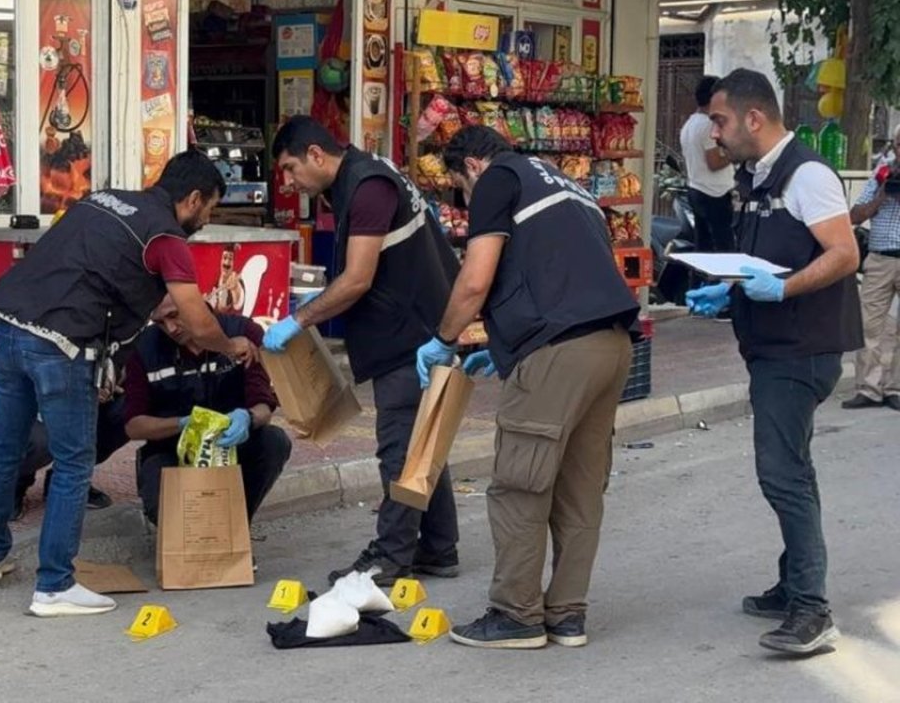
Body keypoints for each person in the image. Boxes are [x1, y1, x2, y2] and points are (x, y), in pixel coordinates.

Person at [0, 151, 258, 618]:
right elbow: (196, 318)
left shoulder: (103, 199)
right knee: (74, 462)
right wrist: (231, 346)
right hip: (60, 344)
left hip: (5, 325)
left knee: (4, 444)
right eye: (209, 210)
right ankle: (54, 586)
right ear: (192, 198)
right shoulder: (165, 235)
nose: (206, 221)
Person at [417, 125, 640, 650]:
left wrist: (443, 340)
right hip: (611, 346)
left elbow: (474, 280)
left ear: (471, 166)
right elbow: (558, 272)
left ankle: (515, 615)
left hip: (558, 350)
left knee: (521, 482)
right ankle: (567, 615)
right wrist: (504, 348)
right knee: (580, 488)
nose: (466, 201)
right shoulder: (568, 185)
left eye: (459, 191)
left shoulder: (498, 178)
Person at [687, 69, 862, 655]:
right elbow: (764, 256)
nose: (715, 134)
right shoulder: (757, 177)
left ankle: (813, 612)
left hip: (800, 348)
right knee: (794, 469)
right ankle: (794, 584)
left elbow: (844, 253)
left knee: (782, 474)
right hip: (773, 345)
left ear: (753, 119)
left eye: (719, 121)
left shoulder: (807, 174)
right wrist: (731, 289)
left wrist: (782, 291)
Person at [262, 115, 461, 588]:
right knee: (422, 440)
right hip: (419, 322)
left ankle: (390, 557)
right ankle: (439, 547)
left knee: (399, 446)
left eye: (291, 169)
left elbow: (357, 278)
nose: (291, 183)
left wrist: (300, 319)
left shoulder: (367, 187)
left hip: (407, 334)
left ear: (315, 154)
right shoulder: (366, 172)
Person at [124, 295, 290, 525]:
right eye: (160, 322)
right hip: (172, 449)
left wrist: (247, 417)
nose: (170, 328)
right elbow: (134, 425)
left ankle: (236, 527)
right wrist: (184, 423)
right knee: (160, 501)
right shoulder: (144, 348)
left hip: (231, 446)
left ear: (196, 304)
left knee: (275, 442)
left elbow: (263, 405)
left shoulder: (242, 332)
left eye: (174, 315)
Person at [0, 373, 124, 520]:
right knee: (41, 439)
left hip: (64, 405)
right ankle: (12, 483)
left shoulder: (99, 345)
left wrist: (107, 385)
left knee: (129, 410)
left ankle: (68, 477)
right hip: (12, 411)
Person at [842, 123, 900, 411]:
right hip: (879, 258)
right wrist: (881, 195)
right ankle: (868, 388)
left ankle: (895, 388)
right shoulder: (882, 173)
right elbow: (854, 215)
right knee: (868, 324)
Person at [680, 75, 737, 257]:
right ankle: (725, 285)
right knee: (724, 251)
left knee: (703, 250)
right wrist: (734, 154)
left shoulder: (690, 124)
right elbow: (714, 163)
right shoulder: (707, 126)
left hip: (697, 189)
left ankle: (698, 284)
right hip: (715, 195)